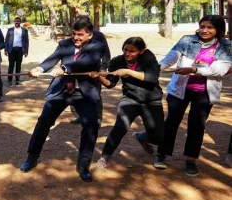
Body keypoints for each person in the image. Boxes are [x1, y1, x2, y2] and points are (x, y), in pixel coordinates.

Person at [136, 15, 232, 177]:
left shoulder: (226, 45)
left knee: (197, 126)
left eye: (209, 27)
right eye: (202, 26)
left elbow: (220, 69)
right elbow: (171, 57)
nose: (204, 30)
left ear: (219, 29)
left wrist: (194, 70)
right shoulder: (188, 40)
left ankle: (191, 160)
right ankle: (162, 154)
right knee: (171, 122)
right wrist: (156, 69)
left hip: (204, 93)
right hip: (180, 89)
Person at [20, 18, 104, 182]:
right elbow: (54, 57)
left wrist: (65, 68)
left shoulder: (97, 46)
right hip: (62, 90)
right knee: (44, 121)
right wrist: (40, 68)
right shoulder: (65, 44)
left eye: (80, 35)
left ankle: (83, 165)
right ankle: (32, 157)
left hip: (83, 93)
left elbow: (87, 62)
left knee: (91, 124)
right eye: (74, 34)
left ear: (89, 35)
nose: (76, 37)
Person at [90, 37, 164, 170]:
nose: (128, 53)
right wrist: (99, 77)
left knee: (157, 136)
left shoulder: (148, 57)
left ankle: (142, 137)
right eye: (125, 50)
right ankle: (104, 158)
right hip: (130, 99)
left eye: (132, 51)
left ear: (141, 51)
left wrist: (128, 71)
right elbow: (110, 84)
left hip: (152, 100)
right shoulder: (117, 61)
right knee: (120, 127)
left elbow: (152, 78)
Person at [71, 15, 110, 124]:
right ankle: (82, 115)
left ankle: (98, 117)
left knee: (95, 94)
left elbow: (106, 52)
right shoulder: (74, 34)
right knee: (78, 92)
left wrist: (103, 67)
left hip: (93, 69)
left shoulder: (98, 35)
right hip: (76, 68)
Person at [5, 17, 29, 86]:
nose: (17, 22)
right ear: (14, 22)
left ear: (20, 22)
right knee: (11, 66)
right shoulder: (10, 30)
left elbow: (26, 41)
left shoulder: (24, 30)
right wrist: (6, 50)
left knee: (18, 66)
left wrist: (26, 51)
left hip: (20, 50)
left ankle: (17, 80)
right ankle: (9, 81)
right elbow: (6, 40)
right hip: (11, 50)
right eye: (15, 21)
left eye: (18, 21)